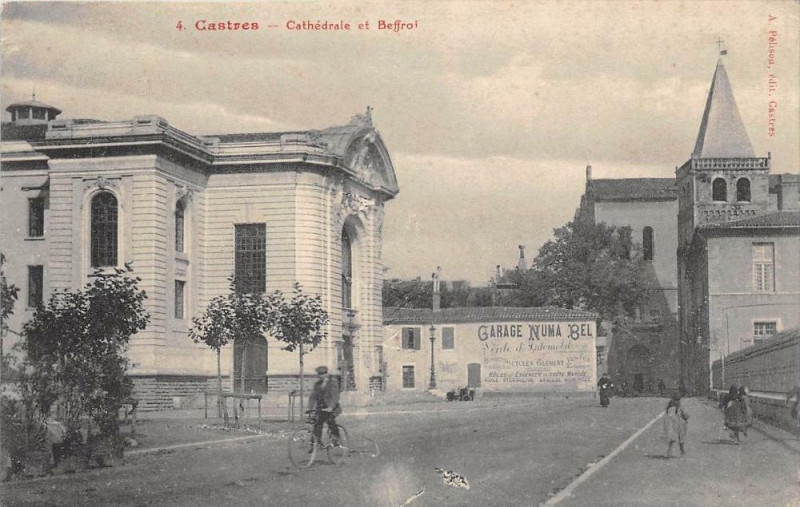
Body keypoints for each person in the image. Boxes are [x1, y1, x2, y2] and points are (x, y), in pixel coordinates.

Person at [308, 366, 342, 447]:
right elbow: (312, 397)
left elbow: (335, 396)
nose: (321, 376)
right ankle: (318, 442)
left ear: (326, 374)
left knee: (331, 421)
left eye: (323, 374)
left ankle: (336, 438)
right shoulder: (317, 384)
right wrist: (310, 408)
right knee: (317, 424)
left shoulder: (332, 383)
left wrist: (331, 407)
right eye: (319, 374)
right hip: (321, 408)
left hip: (332, 408)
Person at [663, 393, 689, 458]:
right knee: (680, 438)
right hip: (677, 423)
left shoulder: (670, 404)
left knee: (672, 438)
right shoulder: (678, 405)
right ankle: (682, 451)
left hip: (671, 423)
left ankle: (669, 452)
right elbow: (683, 414)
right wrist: (686, 418)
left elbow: (667, 413)